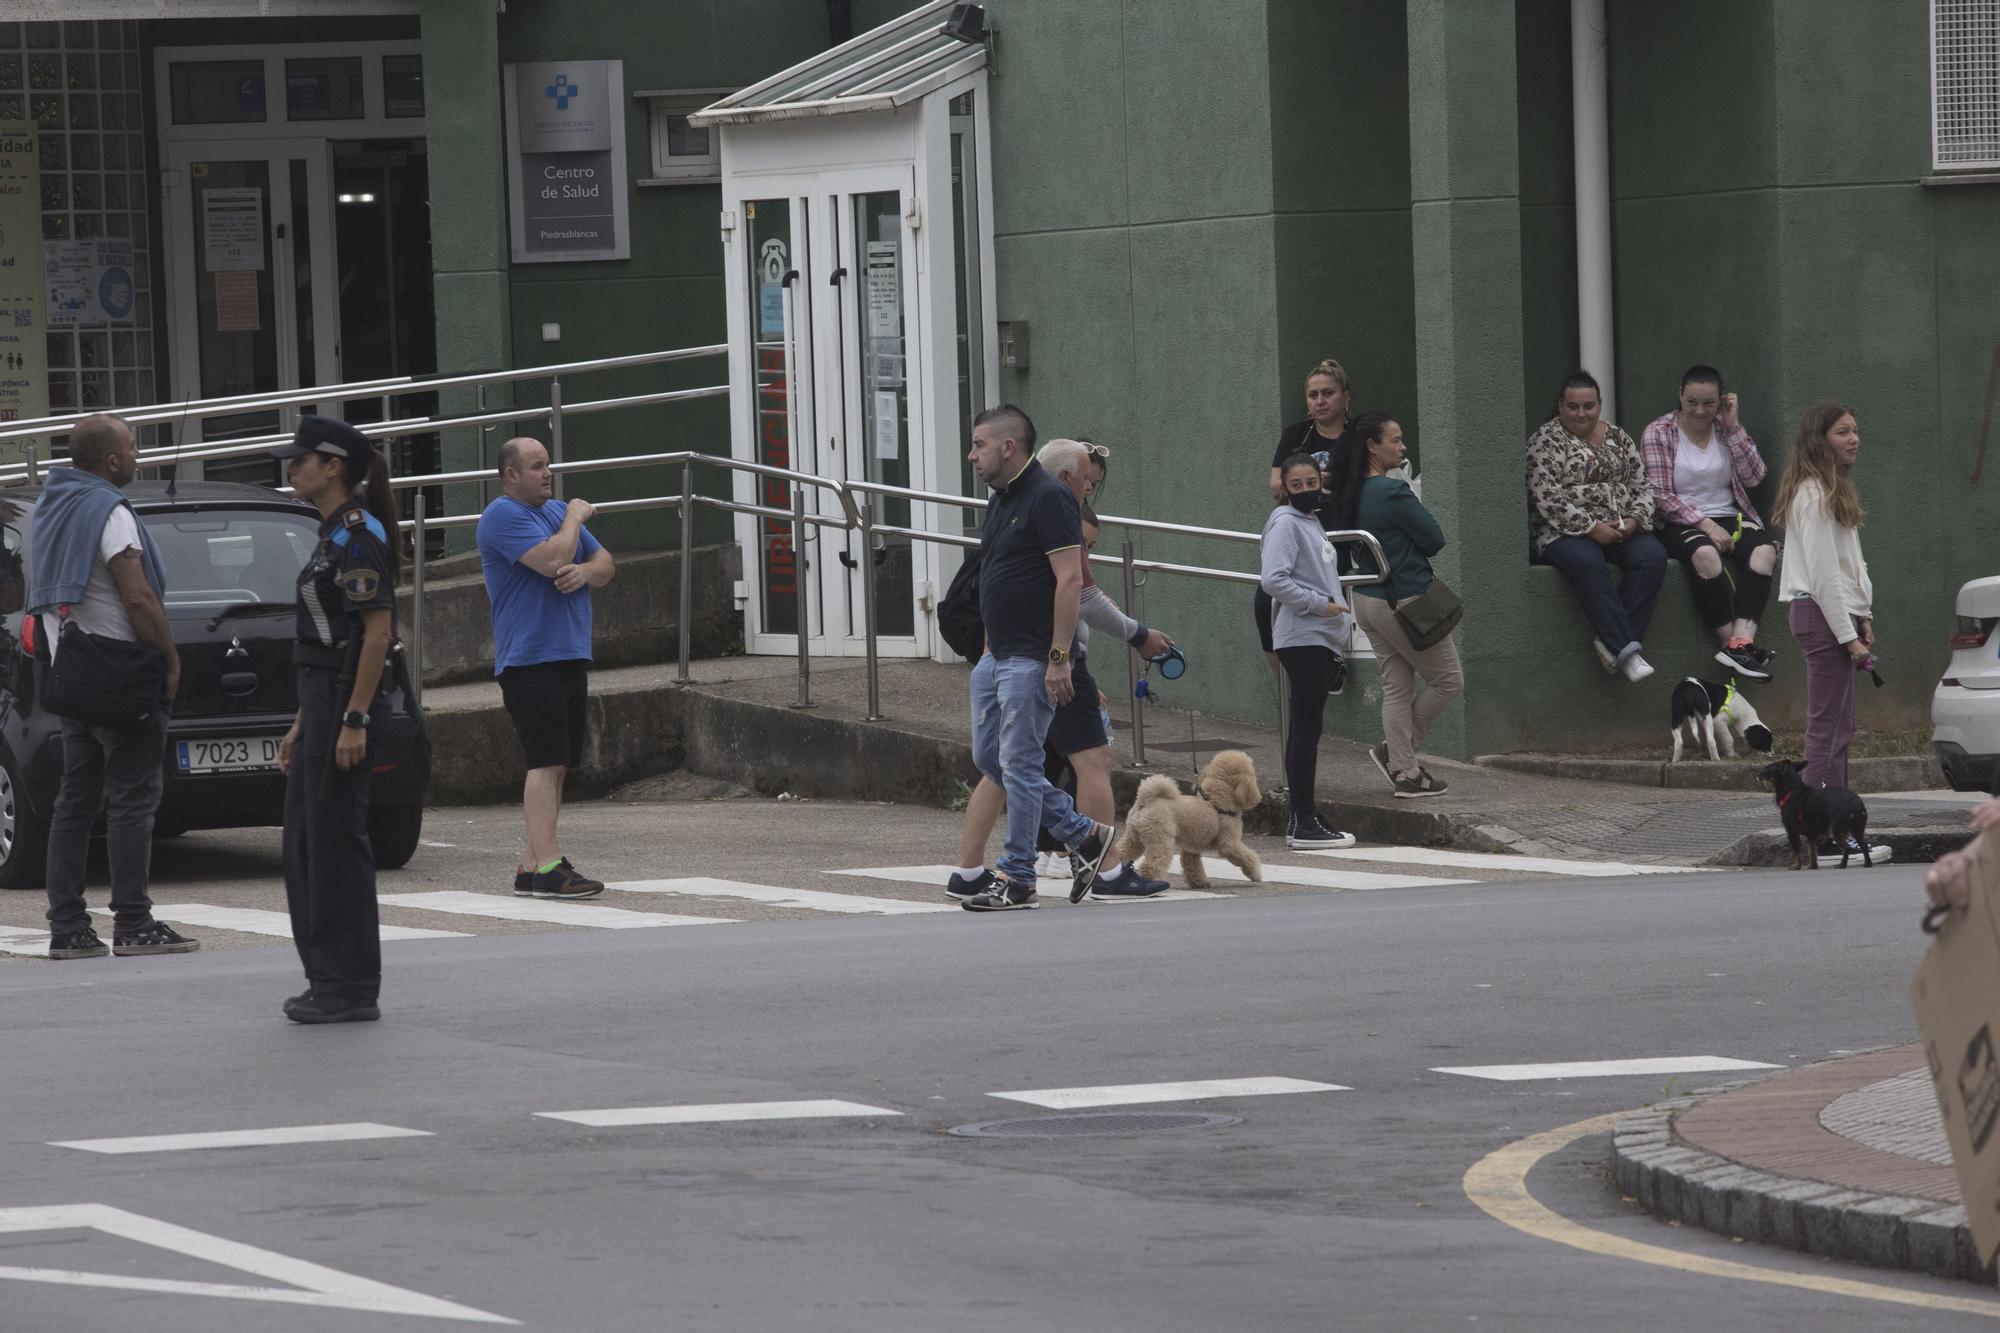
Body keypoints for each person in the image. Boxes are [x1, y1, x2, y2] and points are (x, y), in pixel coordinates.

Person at [947, 439, 1173, 904]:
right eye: (1088, 480)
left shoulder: (1026, 502)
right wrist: (1126, 637)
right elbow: (1078, 588)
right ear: (1066, 476)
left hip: (1026, 656)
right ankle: (1093, 852)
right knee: (1045, 763)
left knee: (1013, 766)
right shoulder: (1048, 505)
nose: (1090, 490)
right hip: (1035, 657)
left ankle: (1006, 872)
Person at [26, 414, 197, 961]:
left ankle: (69, 927)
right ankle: (134, 921)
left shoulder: (53, 507)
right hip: (120, 676)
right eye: (132, 446)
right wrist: (168, 658)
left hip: (72, 675)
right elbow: (139, 598)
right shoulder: (110, 512)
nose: (139, 454)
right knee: (132, 799)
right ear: (113, 461)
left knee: (75, 801)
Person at [958, 406, 1118, 912]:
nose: (971, 454)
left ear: (1009, 447)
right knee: (993, 760)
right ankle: (1084, 835)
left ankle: (1019, 877)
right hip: (998, 656)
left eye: (979, 444)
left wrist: (1057, 658)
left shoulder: (1049, 497)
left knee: (1021, 764)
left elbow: (1071, 579)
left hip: (1032, 657)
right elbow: (997, 576)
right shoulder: (1001, 498)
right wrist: (987, 649)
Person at [271, 416, 398, 1023]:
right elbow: (330, 637)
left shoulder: (357, 535)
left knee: (336, 845)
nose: (291, 468)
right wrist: (304, 719)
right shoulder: (330, 535)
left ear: (335, 467)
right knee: (304, 845)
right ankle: (326, 976)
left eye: (302, 460)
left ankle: (349, 986)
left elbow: (376, 633)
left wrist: (354, 718)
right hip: (321, 699)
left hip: (345, 703)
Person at [478, 437, 618, 899]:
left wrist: (586, 573)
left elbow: (605, 563)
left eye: (548, 465)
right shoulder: (502, 515)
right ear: (511, 475)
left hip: (567, 653)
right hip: (529, 657)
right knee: (544, 762)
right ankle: (553, 866)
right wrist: (575, 519)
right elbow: (553, 559)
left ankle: (532, 866)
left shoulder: (556, 512)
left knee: (558, 765)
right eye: (537, 467)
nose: (547, 474)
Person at [1773, 400, 1892, 865]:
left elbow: (1849, 568)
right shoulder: (1812, 494)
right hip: (1821, 618)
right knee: (1825, 730)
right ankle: (1816, 833)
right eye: (1843, 431)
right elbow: (1822, 577)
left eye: (1855, 430)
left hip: (1835, 617)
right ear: (1820, 439)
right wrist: (1848, 637)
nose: (1854, 439)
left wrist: (1863, 615)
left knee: (1840, 728)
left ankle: (1838, 828)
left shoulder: (1832, 488)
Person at [1333, 413, 1463, 798]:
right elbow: (1434, 538)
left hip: (1366, 600)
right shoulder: (1391, 492)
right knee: (1448, 679)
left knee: (1396, 687)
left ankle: (1405, 769)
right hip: (1403, 601)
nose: (1402, 447)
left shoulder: (1349, 491)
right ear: (1373, 446)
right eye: (1395, 439)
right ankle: (1398, 756)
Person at [1528, 371, 1667, 682]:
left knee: (1652, 558)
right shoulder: (1546, 440)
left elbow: (1643, 485)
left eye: (1588, 406)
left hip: (1621, 526)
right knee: (1587, 562)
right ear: (1561, 406)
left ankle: (1611, 643)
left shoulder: (1618, 437)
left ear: (1599, 405)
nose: (1581, 413)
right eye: (1573, 406)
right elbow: (1545, 495)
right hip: (1562, 532)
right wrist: (1591, 527)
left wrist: (1634, 520)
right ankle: (1627, 652)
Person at [1641, 365, 1777, 680]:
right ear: (1680, 396)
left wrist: (1734, 427)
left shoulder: (1724, 429)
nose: (1700, 410)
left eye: (1709, 403)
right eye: (1692, 402)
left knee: (1764, 552)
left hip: (1729, 514)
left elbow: (1755, 477)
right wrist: (1704, 524)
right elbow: (1659, 494)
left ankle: (1741, 644)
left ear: (1721, 401)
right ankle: (1733, 646)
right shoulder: (1659, 432)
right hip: (1678, 520)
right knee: (1706, 556)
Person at [1260, 453, 1358, 849]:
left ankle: (1305, 814)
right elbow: (1273, 580)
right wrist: (1322, 605)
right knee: (1305, 729)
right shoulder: (1286, 522)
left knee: (1308, 728)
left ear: (1321, 481)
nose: (1305, 491)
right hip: (1303, 635)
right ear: (1284, 487)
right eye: (1296, 485)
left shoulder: (1307, 520)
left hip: (1315, 636)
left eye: (1311, 483)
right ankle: (1301, 821)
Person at [1256, 359, 1357, 664]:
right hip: (1298, 533)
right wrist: (1319, 479)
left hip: (1341, 537)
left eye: (1328, 393)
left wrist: (1304, 480)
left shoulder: (1357, 437)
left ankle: (1331, 664)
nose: (1320, 401)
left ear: (1346, 397)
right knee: (1265, 605)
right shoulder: (1297, 434)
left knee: (1331, 606)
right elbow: (1275, 485)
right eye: (1313, 395)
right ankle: (1285, 693)